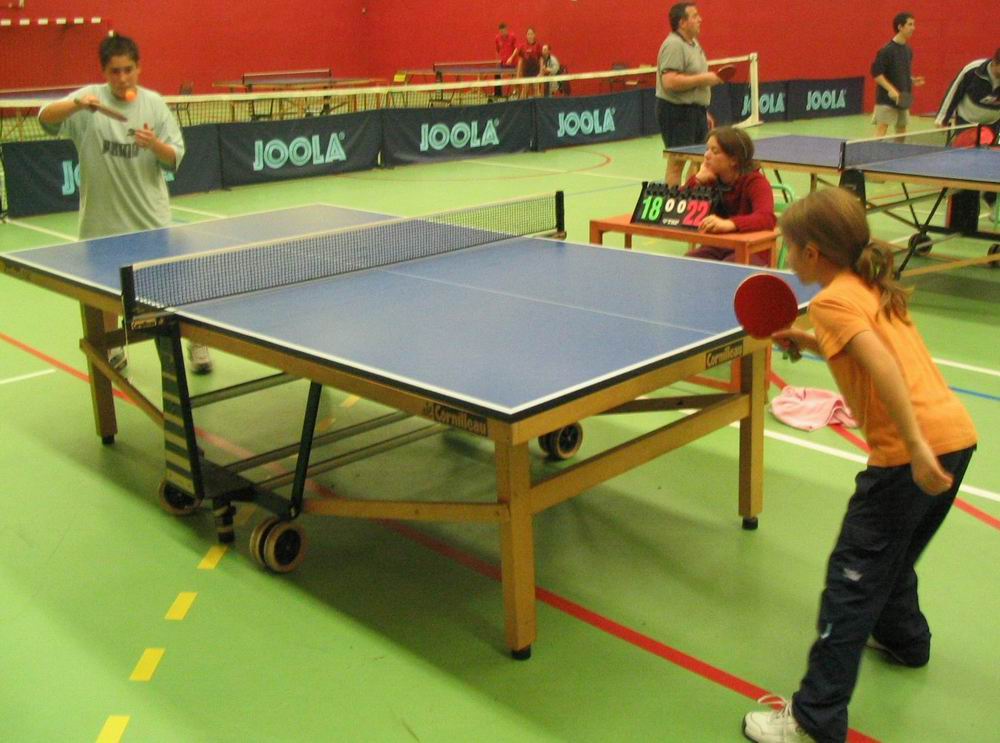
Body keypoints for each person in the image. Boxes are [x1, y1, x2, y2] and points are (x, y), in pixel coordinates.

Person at [742, 187, 978, 743]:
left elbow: (886, 368)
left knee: (850, 585)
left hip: (909, 453)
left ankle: (814, 720)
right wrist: (811, 342)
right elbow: (872, 348)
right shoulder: (869, 285)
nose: (785, 255)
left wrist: (914, 448)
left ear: (813, 252)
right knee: (891, 558)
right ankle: (906, 640)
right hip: (956, 436)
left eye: (789, 247)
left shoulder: (830, 302)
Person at [38, 34, 212, 374]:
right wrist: (77, 105)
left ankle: (196, 341)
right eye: (115, 71)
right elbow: (45, 117)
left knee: (170, 290)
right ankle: (113, 346)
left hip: (150, 221)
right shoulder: (87, 101)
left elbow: (174, 157)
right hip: (101, 224)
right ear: (104, 72)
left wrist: (154, 145)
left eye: (128, 69)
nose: (122, 78)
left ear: (138, 68)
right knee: (105, 294)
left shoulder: (154, 105)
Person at [682, 126, 776, 265]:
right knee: (688, 263)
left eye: (715, 151)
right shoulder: (711, 179)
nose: (706, 155)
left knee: (728, 267)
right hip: (718, 246)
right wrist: (697, 180)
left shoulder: (756, 182)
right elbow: (680, 208)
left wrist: (730, 224)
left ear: (733, 160)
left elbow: (766, 218)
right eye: (707, 149)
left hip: (752, 249)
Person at [656, 3, 725, 186]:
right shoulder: (673, 45)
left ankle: (690, 198)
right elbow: (669, 82)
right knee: (677, 163)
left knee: (699, 160)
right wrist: (705, 79)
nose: (700, 19)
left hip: (695, 111)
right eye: (695, 16)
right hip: (676, 112)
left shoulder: (693, 44)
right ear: (682, 23)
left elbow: (693, 79)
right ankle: (672, 201)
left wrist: (702, 110)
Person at [870, 12, 926, 138]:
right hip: (886, 100)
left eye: (913, 24)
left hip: (902, 99)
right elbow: (877, 74)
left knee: (902, 130)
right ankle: (874, 150)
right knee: (882, 129)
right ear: (900, 27)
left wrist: (912, 80)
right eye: (910, 24)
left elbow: (899, 73)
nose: (913, 28)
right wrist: (891, 89)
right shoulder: (887, 50)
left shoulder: (908, 50)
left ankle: (900, 152)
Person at [934, 47, 1000, 137]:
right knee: (967, 146)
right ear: (995, 62)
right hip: (967, 122)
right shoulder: (973, 70)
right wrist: (943, 119)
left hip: (993, 124)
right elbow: (954, 93)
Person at [507, 27, 543, 97]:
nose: (530, 36)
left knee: (536, 90)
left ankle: (538, 103)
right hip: (526, 72)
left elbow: (541, 59)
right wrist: (518, 75)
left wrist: (541, 72)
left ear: (534, 35)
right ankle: (522, 103)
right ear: (526, 36)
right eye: (528, 34)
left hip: (535, 72)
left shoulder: (538, 46)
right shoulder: (523, 46)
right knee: (524, 91)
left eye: (531, 34)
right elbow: (520, 61)